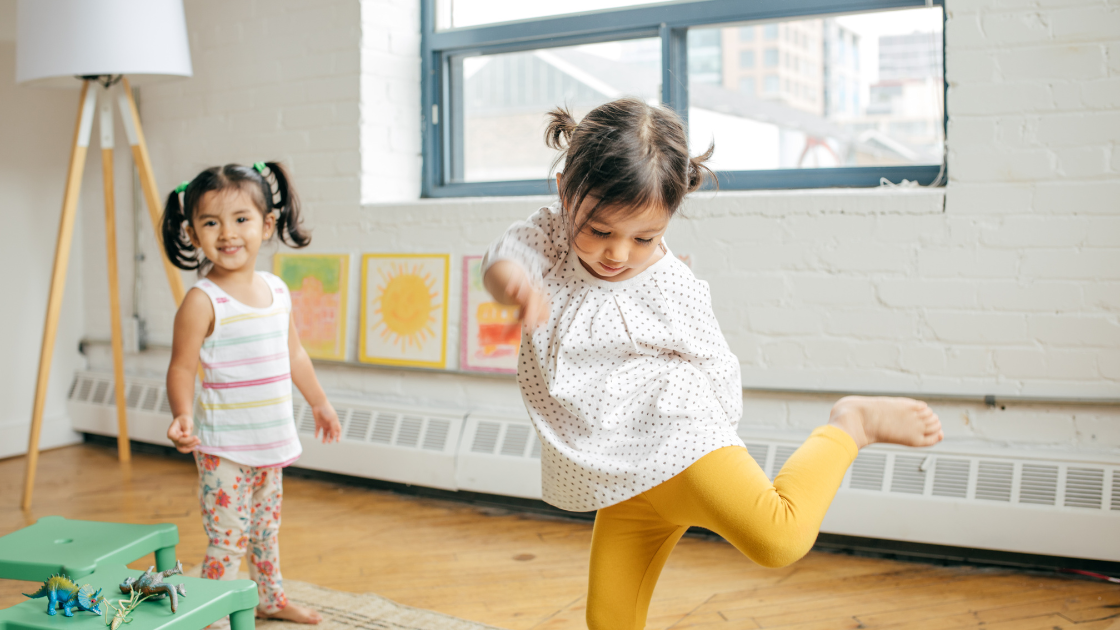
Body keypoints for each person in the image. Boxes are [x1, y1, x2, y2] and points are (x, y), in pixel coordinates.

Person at [481, 98, 944, 630]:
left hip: (679, 441)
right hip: (618, 473)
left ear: (669, 219)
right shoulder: (552, 237)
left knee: (780, 538)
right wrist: (511, 284)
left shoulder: (671, 284)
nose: (618, 254)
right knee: (609, 621)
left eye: (645, 237)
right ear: (565, 192)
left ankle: (849, 426)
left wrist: (721, 446)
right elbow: (503, 257)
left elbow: (714, 365)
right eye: (600, 230)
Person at [162, 162, 341, 625]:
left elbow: (295, 355)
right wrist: (182, 414)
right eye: (210, 222)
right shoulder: (202, 300)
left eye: (240, 219)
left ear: (266, 225)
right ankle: (206, 612)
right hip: (224, 448)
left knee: (265, 531)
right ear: (192, 233)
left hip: (270, 443)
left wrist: (319, 402)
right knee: (228, 538)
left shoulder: (277, 290)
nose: (227, 234)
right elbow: (181, 367)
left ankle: (271, 601)